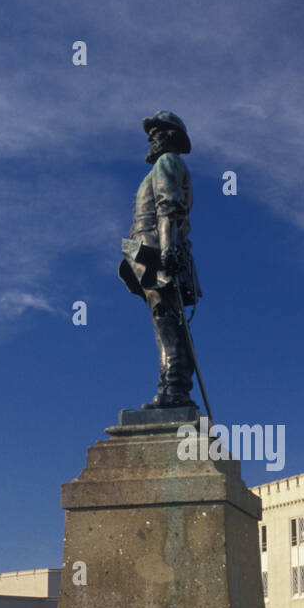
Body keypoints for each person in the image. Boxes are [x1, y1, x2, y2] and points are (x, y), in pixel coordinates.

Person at [119, 111, 202, 408]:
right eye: (150, 134)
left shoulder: (167, 162)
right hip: (148, 251)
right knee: (165, 319)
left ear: (170, 137)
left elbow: (168, 207)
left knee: (167, 320)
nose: (151, 139)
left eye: (157, 133)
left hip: (157, 251)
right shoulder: (160, 168)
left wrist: (167, 250)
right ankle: (170, 386)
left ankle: (174, 388)